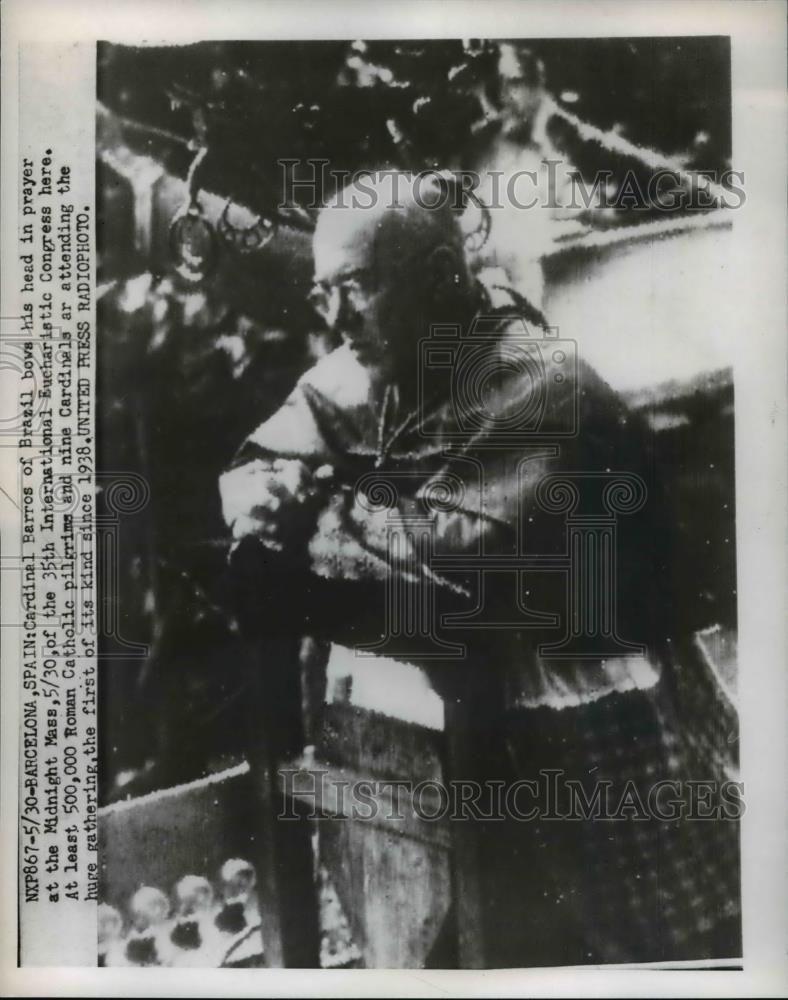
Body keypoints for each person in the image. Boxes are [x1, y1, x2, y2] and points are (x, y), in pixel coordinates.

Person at [219, 173, 739, 966]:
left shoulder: (538, 383)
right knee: (468, 935)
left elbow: (443, 560)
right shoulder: (389, 355)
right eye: (323, 292)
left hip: (594, 724)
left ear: (436, 276)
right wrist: (268, 496)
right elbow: (271, 454)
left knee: (656, 947)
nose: (334, 317)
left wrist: (321, 515)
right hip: (455, 721)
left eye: (356, 288)